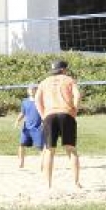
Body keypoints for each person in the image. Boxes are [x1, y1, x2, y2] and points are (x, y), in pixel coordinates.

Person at [34, 60, 82, 188]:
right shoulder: (68, 79)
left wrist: (43, 115)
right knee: (71, 150)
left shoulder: (44, 82)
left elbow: (37, 100)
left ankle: (48, 184)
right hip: (66, 114)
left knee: (49, 151)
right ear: (63, 70)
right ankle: (76, 183)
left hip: (49, 115)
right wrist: (75, 110)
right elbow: (77, 95)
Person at [14, 85, 44, 169]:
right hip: (26, 128)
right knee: (21, 144)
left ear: (37, 91)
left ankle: (42, 164)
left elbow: (44, 113)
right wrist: (17, 120)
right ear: (28, 91)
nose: (31, 91)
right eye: (30, 89)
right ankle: (21, 162)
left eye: (33, 89)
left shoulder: (40, 101)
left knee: (40, 147)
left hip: (37, 128)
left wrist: (44, 123)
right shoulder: (25, 101)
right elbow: (23, 113)